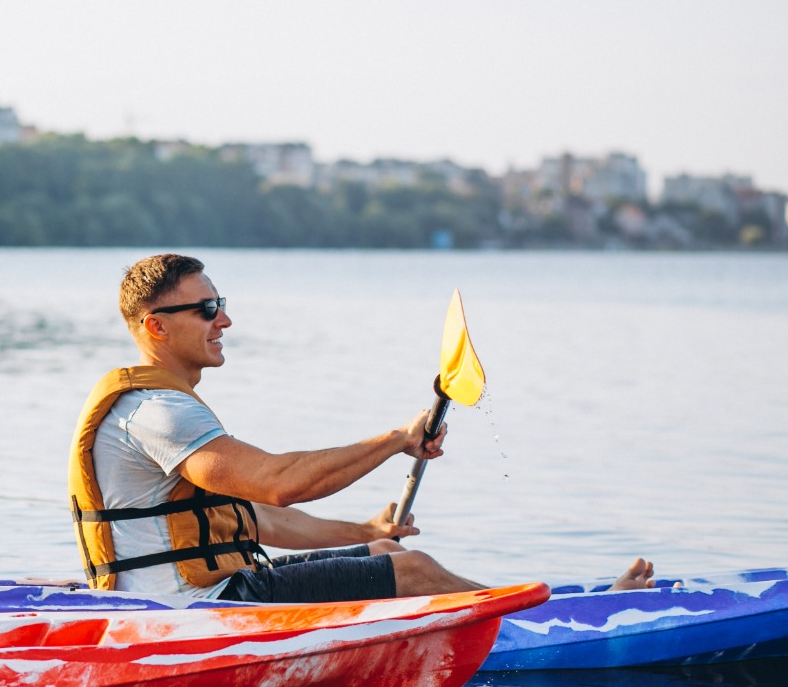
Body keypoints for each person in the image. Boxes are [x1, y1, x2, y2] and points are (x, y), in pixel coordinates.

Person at [69, 253, 657, 604]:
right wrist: (397, 439)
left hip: (212, 587)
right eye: (206, 308)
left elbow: (260, 518)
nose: (225, 318)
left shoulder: (163, 408)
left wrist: (364, 527)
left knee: (381, 550)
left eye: (220, 301)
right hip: (192, 608)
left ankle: (520, 611)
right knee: (414, 571)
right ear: (157, 326)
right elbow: (279, 484)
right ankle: (551, 628)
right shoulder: (158, 412)